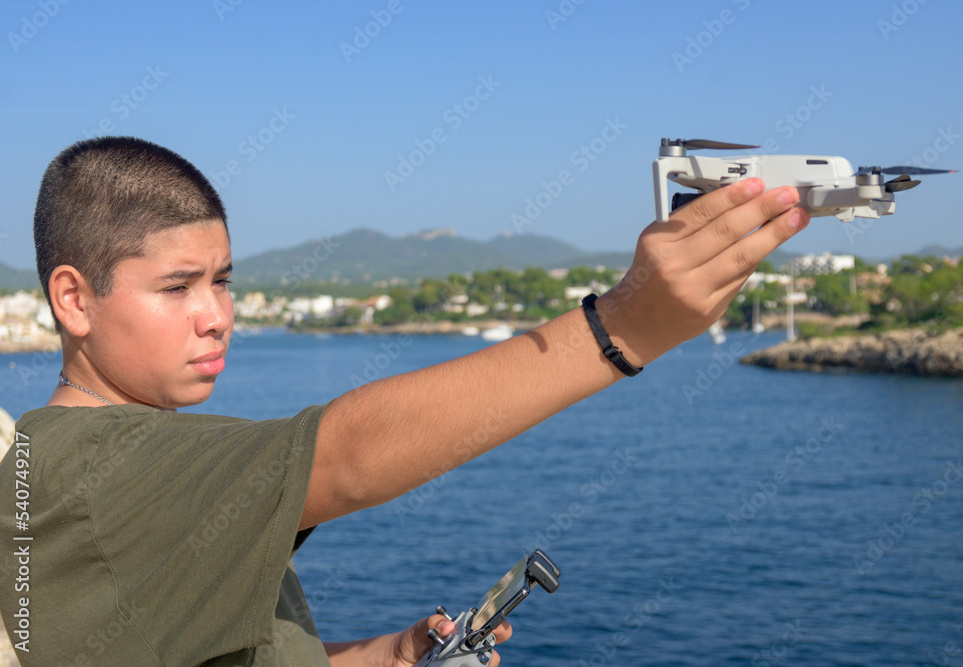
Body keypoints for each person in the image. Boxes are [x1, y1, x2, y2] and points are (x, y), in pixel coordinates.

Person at [0, 136, 808, 665]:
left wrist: (388, 654)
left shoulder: (112, 470)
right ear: (74, 299)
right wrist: (622, 326)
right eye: (177, 286)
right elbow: (347, 452)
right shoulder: (95, 469)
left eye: (222, 281)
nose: (217, 315)